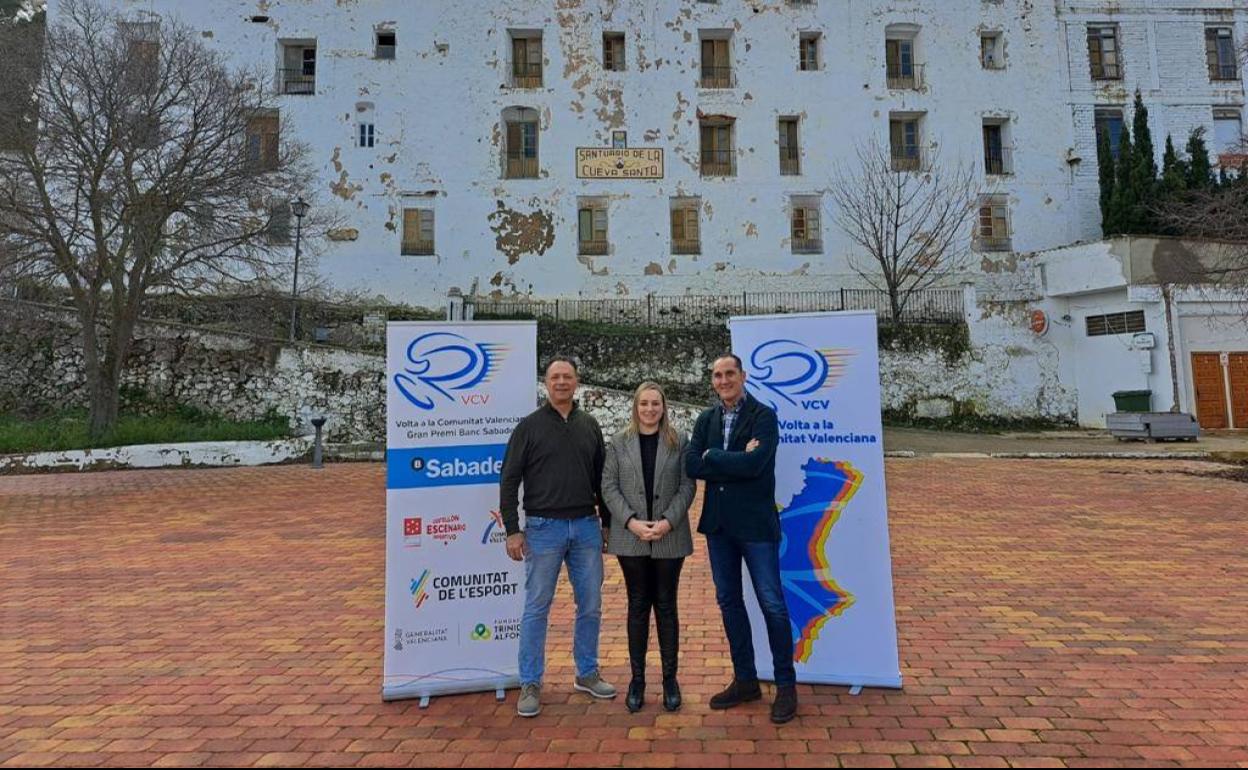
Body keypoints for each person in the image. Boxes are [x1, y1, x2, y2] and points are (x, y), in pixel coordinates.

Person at [499, 357, 616, 718]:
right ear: (546, 383)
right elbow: (509, 479)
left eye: (567, 376)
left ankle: (587, 672)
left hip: (585, 527)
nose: (561, 382)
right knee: (537, 608)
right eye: (555, 377)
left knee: (591, 605)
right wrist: (512, 529)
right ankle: (531, 682)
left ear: (577, 381)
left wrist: (607, 524)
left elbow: (602, 481)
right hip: (542, 529)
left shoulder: (590, 425)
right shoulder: (528, 428)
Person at [685, 354, 798, 724]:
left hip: (756, 527)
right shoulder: (706, 418)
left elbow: (757, 465)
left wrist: (714, 457)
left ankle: (786, 685)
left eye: (729, 373)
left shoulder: (764, 417)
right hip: (719, 527)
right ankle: (746, 679)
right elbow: (691, 464)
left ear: (743, 376)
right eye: (717, 375)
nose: (723, 380)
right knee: (729, 602)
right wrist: (729, 460)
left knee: (772, 604)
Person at [602, 382, 696, 712]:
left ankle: (670, 679)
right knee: (638, 604)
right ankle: (637, 679)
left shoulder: (679, 440)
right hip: (631, 536)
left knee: (667, 605)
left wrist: (668, 521)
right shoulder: (618, 442)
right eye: (644, 404)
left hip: (670, 535)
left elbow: (687, 485)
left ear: (663, 407)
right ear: (635, 406)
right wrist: (631, 522)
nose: (650, 409)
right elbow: (608, 486)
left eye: (655, 404)